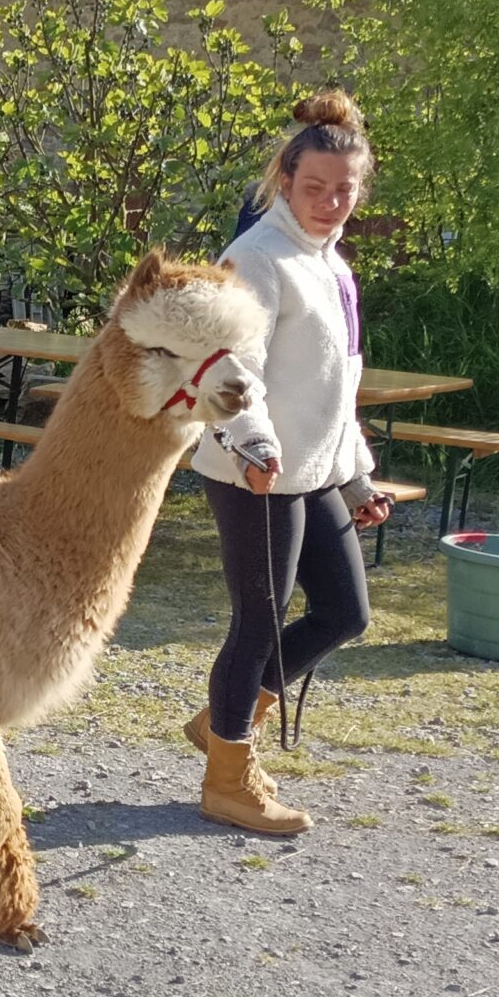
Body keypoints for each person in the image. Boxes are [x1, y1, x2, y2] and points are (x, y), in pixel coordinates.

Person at [186, 88, 393, 838]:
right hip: (255, 469)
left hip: (316, 469)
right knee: (260, 623)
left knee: (346, 612)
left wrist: (358, 474)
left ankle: (222, 720)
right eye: (315, 189)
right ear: (284, 181)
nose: (331, 203)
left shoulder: (333, 265)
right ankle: (227, 779)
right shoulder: (256, 258)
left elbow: (338, 382)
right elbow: (230, 365)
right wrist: (254, 444)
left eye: (344, 190)